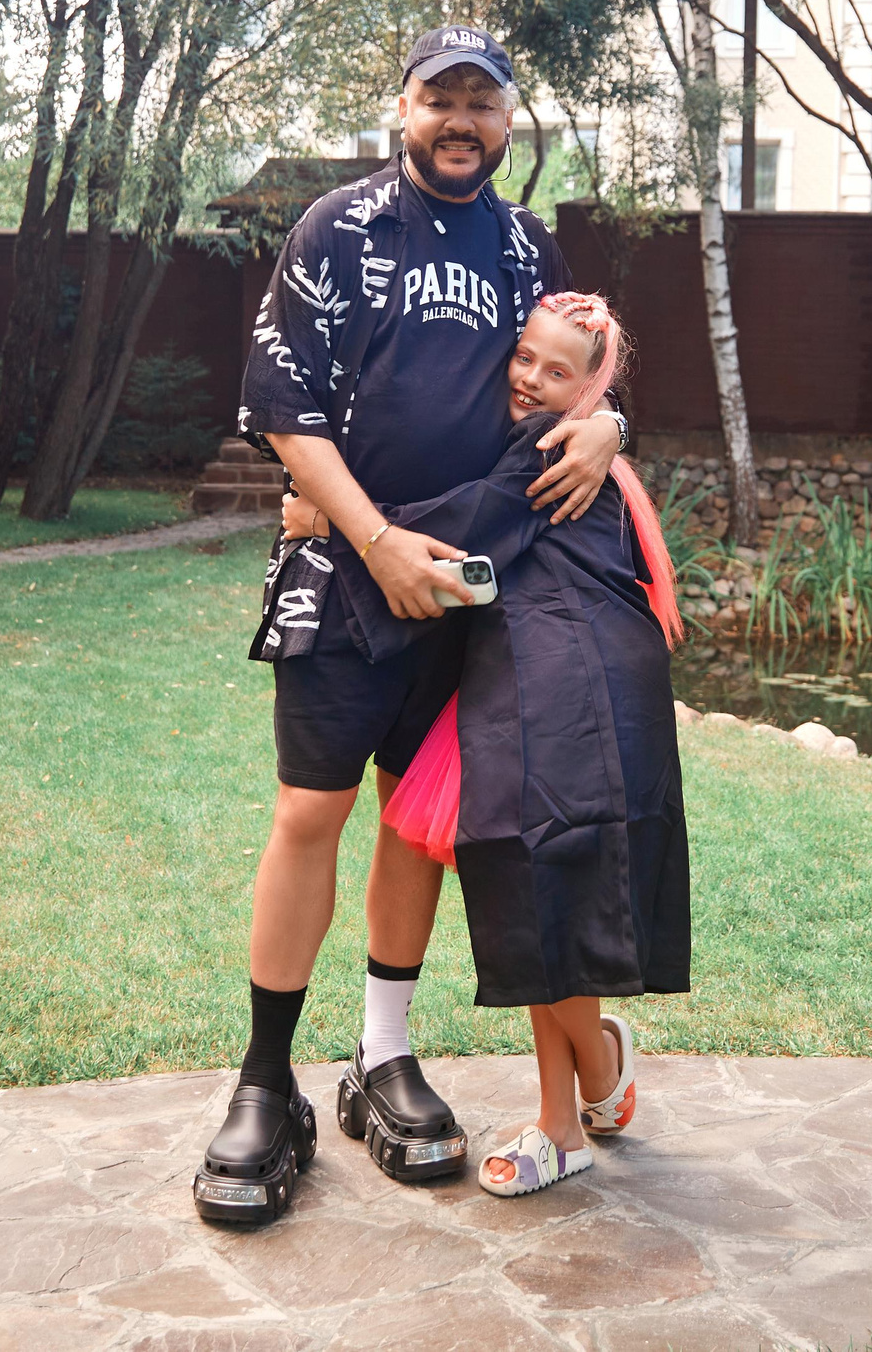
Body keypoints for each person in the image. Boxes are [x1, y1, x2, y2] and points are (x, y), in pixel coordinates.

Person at [193, 27, 629, 1227]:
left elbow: (574, 369)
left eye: (482, 105)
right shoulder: (337, 227)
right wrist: (371, 540)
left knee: (417, 826)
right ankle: (263, 1079)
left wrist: (611, 426)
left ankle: (382, 1055)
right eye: (440, 98)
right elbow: (282, 411)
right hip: (340, 568)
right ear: (402, 110)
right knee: (308, 813)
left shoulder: (527, 247)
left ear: (507, 126)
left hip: (467, 588)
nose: (461, 121)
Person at [284, 292, 689, 1199]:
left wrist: (331, 521)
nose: (532, 381)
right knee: (531, 883)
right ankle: (585, 1082)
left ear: (592, 387)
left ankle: (571, 1104)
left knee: (545, 880)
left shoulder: (555, 446)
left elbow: (468, 525)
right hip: (530, 669)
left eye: (558, 371)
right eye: (525, 359)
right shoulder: (563, 435)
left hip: (578, 676)